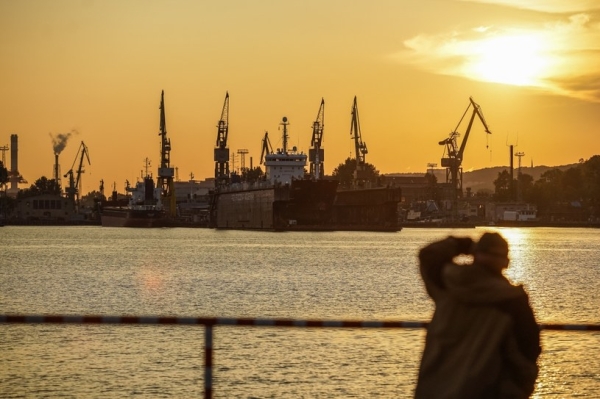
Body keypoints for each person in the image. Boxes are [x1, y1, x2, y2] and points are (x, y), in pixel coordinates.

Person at [415, 232, 541, 399]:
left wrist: (463, 244)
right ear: (506, 262)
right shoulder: (512, 301)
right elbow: (527, 353)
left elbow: (429, 255)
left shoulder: (447, 282)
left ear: (475, 255)